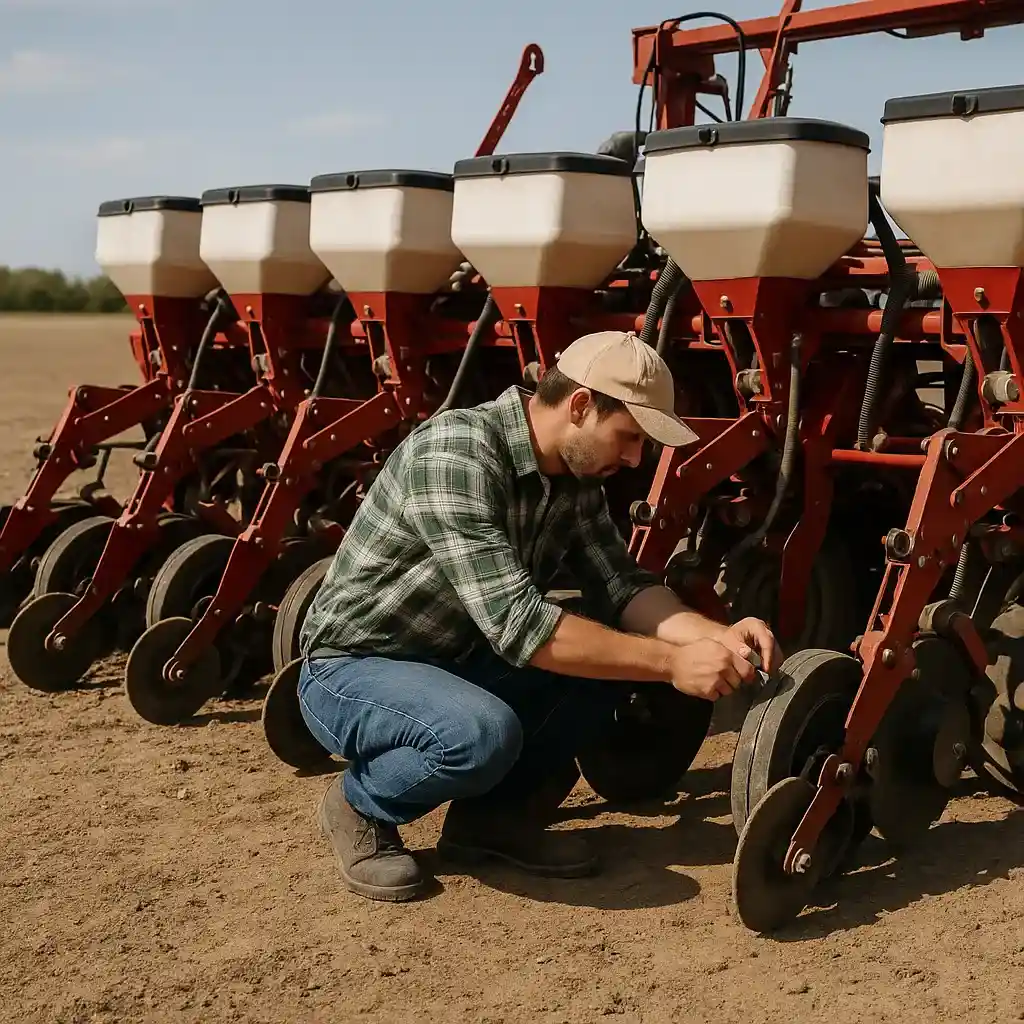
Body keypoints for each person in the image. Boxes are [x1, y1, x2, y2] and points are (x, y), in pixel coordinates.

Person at [297, 329, 780, 903]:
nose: (633, 459)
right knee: (478, 735)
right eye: (627, 436)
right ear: (579, 405)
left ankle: (491, 824)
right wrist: (673, 664)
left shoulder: (575, 480)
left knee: (602, 669)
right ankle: (361, 803)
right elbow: (521, 626)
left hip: (458, 661)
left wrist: (717, 634)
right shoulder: (456, 452)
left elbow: (624, 590)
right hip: (354, 669)